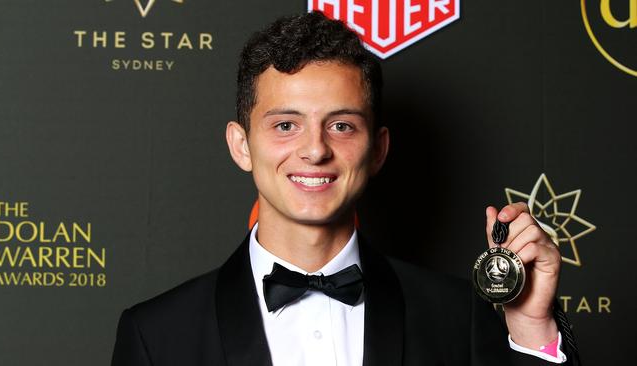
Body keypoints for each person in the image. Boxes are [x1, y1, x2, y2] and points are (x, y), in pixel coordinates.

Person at [111, 11, 579, 366]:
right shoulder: (156, 335)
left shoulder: (461, 317)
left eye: (341, 125)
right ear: (241, 146)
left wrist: (532, 328)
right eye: (286, 125)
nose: (315, 150)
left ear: (377, 150)